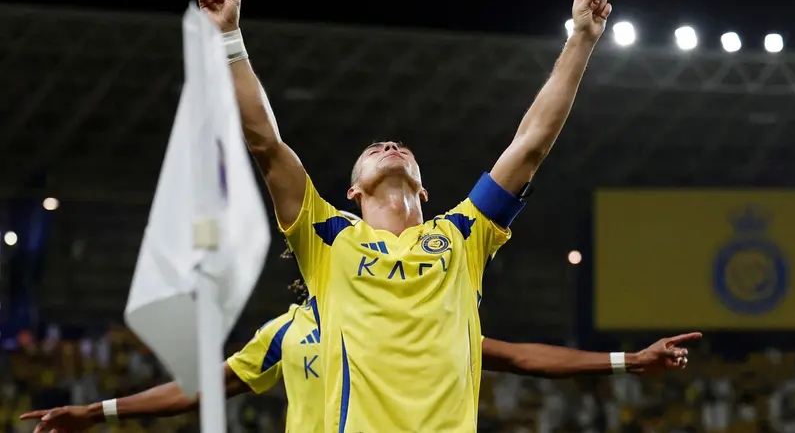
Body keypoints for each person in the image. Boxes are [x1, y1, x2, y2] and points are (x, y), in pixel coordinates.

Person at [195, 0, 623, 430]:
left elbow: (530, 144)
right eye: (375, 149)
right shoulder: (326, 238)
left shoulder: (463, 234)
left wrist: (581, 39)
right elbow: (267, 143)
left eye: (400, 148)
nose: (389, 146)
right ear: (353, 192)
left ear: (423, 190)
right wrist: (229, 38)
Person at [21, 229, 701, 433]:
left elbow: (519, 356)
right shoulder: (284, 331)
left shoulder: (406, 317)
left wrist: (625, 360)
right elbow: (200, 389)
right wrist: (97, 410)